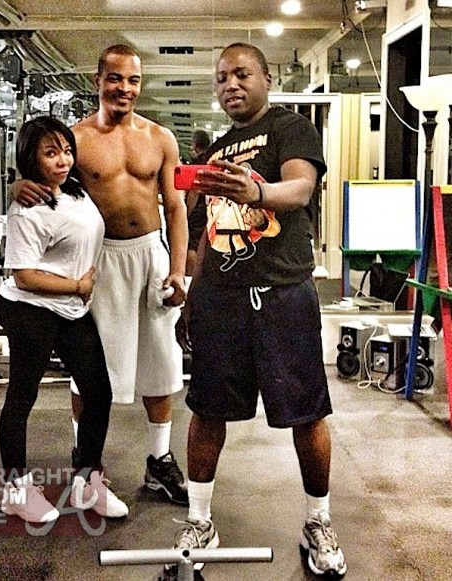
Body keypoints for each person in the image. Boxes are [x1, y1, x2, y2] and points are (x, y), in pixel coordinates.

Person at [166, 43, 347, 577]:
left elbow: (301, 188)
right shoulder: (219, 150)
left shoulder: (291, 128)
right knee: (207, 410)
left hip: (282, 295)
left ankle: (318, 521)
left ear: (267, 78)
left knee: (306, 413)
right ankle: (200, 521)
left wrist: (256, 191)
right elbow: (208, 231)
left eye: (242, 74)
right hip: (221, 299)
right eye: (222, 77)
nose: (231, 85)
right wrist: (192, 296)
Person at [12, 45, 189, 506]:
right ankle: (86, 463)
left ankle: (160, 460)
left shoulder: (160, 138)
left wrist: (178, 270)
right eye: (115, 78)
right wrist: (17, 184)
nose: (124, 88)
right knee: (90, 370)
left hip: (150, 254)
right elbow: (41, 174)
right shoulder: (74, 140)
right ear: (98, 80)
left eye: (133, 80)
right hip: (100, 259)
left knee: (161, 362)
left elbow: (175, 208)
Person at [0, 116, 128, 523]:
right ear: (30, 158)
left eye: (67, 151)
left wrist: (79, 289)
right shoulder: (26, 208)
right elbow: (24, 275)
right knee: (22, 396)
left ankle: (88, 483)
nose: (63, 160)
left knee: (99, 393)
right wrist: (77, 285)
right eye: (50, 153)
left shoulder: (74, 190)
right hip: (30, 307)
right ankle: (16, 490)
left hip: (72, 308)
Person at [185, 130, 211, 277]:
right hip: (209, 208)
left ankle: (190, 278)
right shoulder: (211, 159)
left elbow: (194, 191)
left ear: (196, 144)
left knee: (192, 245)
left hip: (198, 209)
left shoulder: (197, 164)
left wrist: (187, 214)